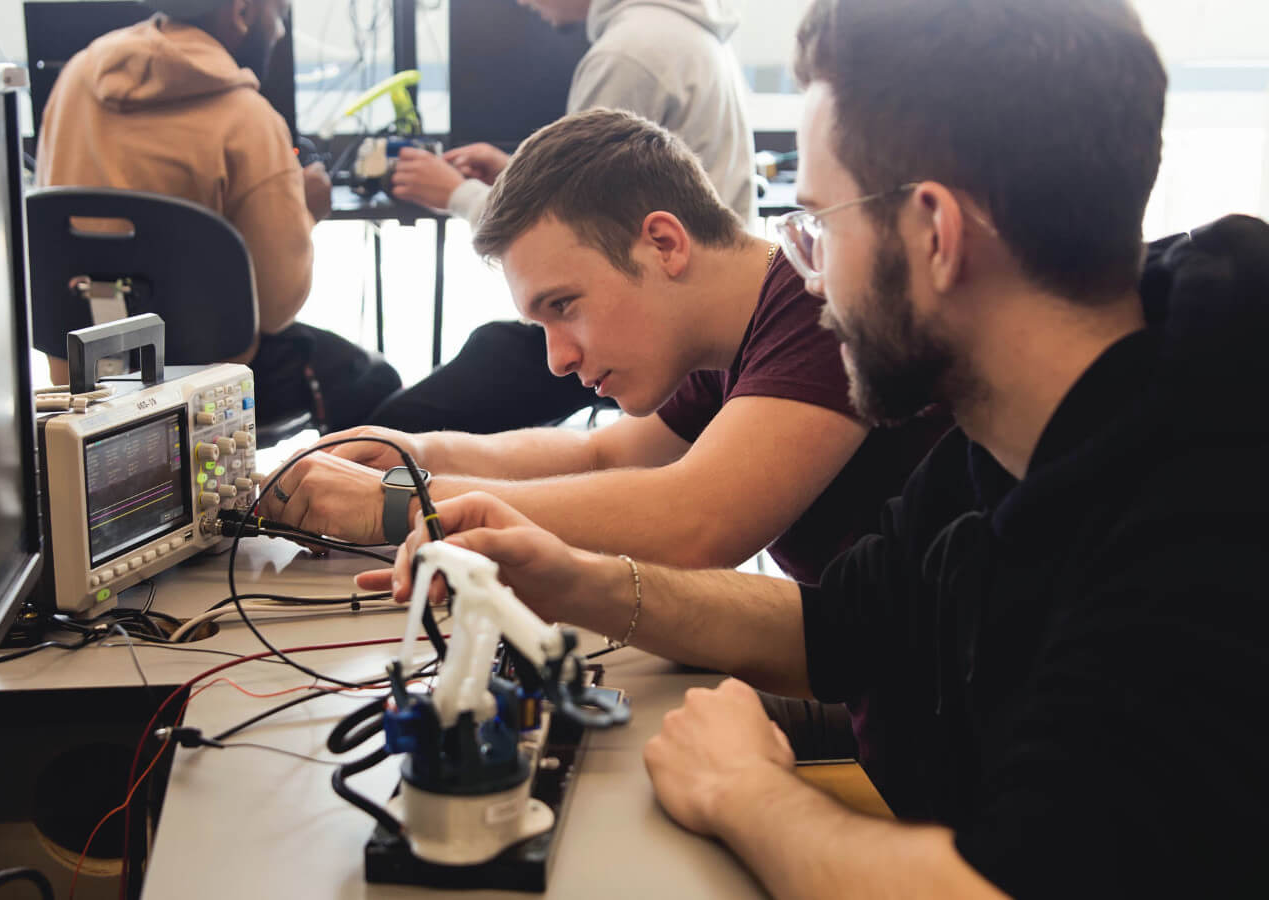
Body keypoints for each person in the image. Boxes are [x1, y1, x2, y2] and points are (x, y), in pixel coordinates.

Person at [368, 0, 1269, 894]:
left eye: (819, 227)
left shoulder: (1202, 501)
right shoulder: (1007, 433)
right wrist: (572, 578)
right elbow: (836, 627)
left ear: (936, 235)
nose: (807, 276)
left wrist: (745, 792)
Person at [264, 109, 948, 589]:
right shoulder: (727, 337)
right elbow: (602, 454)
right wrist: (419, 452)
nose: (558, 358)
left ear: (664, 243)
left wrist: (406, 504)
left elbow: (696, 520)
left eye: (563, 306)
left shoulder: (815, 301)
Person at [368, 0, 757, 433]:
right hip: (653, 282)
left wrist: (456, 193)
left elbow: (568, 235)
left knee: (402, 424)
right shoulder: (680, 31)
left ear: (665, 242)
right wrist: (515, 174)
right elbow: (590, 199)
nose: (521, 3)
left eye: (563, 305)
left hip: (649, 290)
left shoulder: (625, 54)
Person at [35, 0, 399, 430]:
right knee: (376, 381)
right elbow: (277, 308)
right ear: (241, 11)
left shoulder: (76, 78)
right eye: (278, 15)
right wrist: (305, 209)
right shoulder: (248, 119)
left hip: (87, 375)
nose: (280, 32)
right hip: (209, 386)